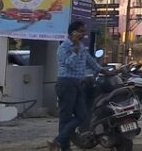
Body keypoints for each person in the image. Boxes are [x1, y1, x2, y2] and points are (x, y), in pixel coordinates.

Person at [50, 20, 116, 151]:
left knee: (83, 116)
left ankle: (58, 140)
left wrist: (106, 71)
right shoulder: (64, 48)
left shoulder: (81, 46)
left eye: (83, 32)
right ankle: (64, 147)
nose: (83, 34)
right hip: (66, 83)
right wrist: (75, 50)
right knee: (65, 117)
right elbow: (69, 64)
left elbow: (91, 62)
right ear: (72, 32)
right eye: (80, 31)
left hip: (79, 83)